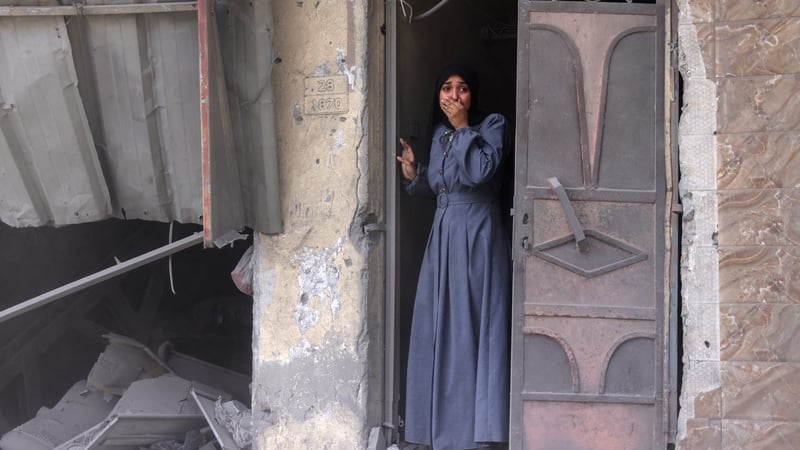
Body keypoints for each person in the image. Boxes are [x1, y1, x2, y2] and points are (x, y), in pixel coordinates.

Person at [397, 64, 511, 450]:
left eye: (462, 89)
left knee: (472, 324)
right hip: (445, 235)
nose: (454, 96)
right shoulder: (439, 134)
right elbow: (442, 184)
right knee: (440, 323)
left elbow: (480, 172)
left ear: (472, 96)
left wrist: (464, 127)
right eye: (447, 88)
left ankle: (478, 430)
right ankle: (436, 427)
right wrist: (416, 173)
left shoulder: (492, 125)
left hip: (478, 233)